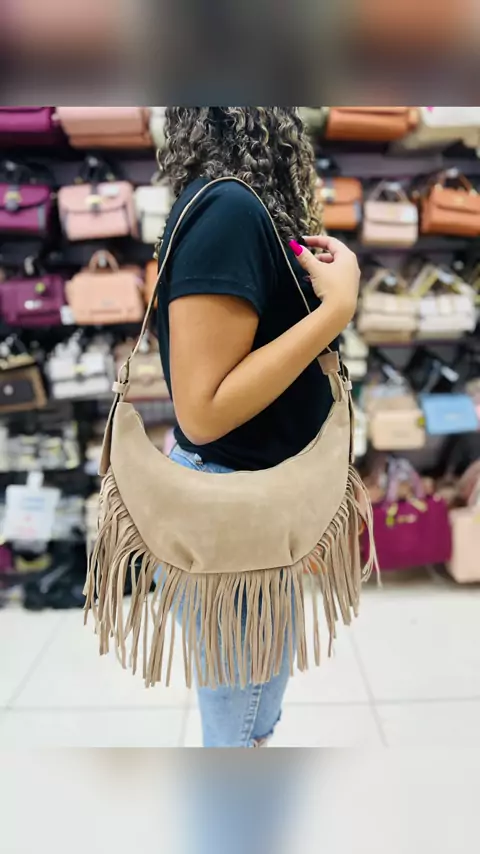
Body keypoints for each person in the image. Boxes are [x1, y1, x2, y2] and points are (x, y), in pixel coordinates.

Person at [155, 107, 360, 747]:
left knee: (251, 717)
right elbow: (203, 412)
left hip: (247, 506)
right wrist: (336, 311)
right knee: (239, 732)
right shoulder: (230, 211)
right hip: (232, 514)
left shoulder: (235, 206)